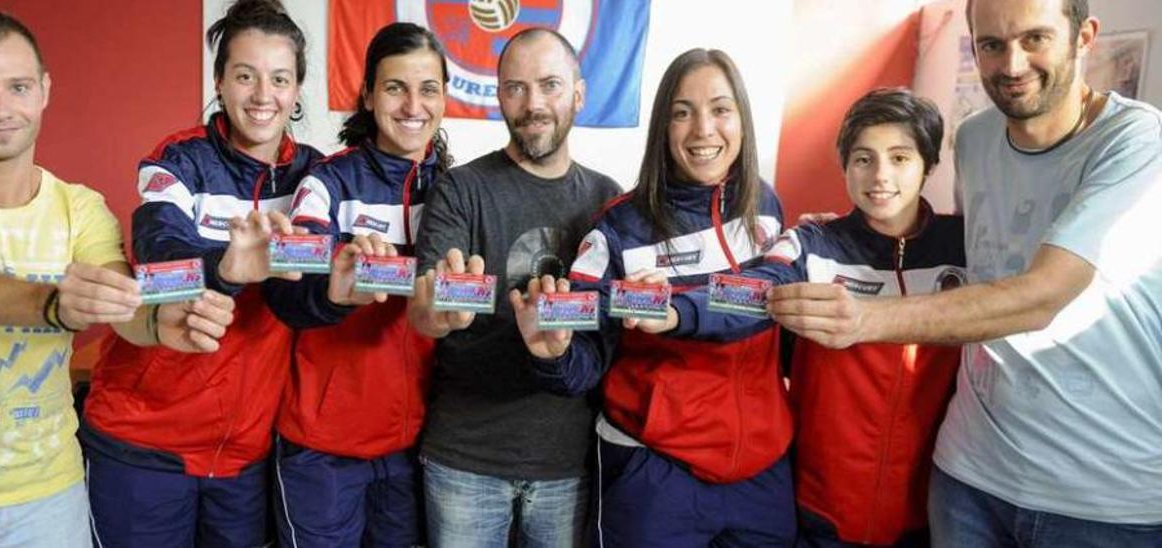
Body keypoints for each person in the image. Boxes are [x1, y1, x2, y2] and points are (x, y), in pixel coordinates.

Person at [768, 0, 1162, 546]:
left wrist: (864, 317)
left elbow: (1039, 297)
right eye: (991, 44)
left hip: (1100, 495)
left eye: (1035, 39)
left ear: (1084, 35)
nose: (1013, 64)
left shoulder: (1138, 142)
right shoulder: (975, 140)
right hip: (968, 476)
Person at [0, 7, 233, 547]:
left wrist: (163, 322)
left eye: (18, 86)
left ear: (44, 89)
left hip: (47, 497)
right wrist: (54, 304)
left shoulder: (81, 208)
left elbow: (122, 305)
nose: (2, 109)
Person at [512, 48, 796, 547]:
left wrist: (676, 310)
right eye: (682, 112)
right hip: (653, 472)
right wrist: (552, 353)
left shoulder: (766, 206)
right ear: (663, 127)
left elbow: (767, 297)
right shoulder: (619, 227)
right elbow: (583, 359)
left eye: (720, 109)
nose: (703, 129)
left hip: (761, 474)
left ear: (743, 119)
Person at [79, 0, 321, 546]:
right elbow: (156, 260)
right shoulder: (177, 159)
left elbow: (320, 292)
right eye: (244, 76)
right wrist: (227, 266)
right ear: (219, 79)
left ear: (297, 88)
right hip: (143, 443)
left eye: (279, 78)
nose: (263, 96)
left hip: (243, 456)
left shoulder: (316, 174)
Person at [407, 28, 621, 547]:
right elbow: (424, 308)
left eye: (549, 85)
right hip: (465, 459)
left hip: (568, 463)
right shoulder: (461, 188)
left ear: (579, 93)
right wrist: (441, 309)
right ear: (498, 96)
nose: (533, 104)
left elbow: (609, 332)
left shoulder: (610, 199)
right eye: (515, 88)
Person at [245, 22, 450, 547]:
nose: (412, 106)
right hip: (322, 449)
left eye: (428, 89)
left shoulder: (458, 191)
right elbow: (288, 292)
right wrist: (336, 289)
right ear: (367, 95)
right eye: (394, 87)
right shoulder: (328, 182)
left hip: (413, 446)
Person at [770, 89, 963, 547]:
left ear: (929, 164)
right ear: (845, 165)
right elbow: (757, 286)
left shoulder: (966, 247)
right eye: (863, 159)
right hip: (819, 510)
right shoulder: (811, 245)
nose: (880, 177)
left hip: (934, 510)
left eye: (900, 158)